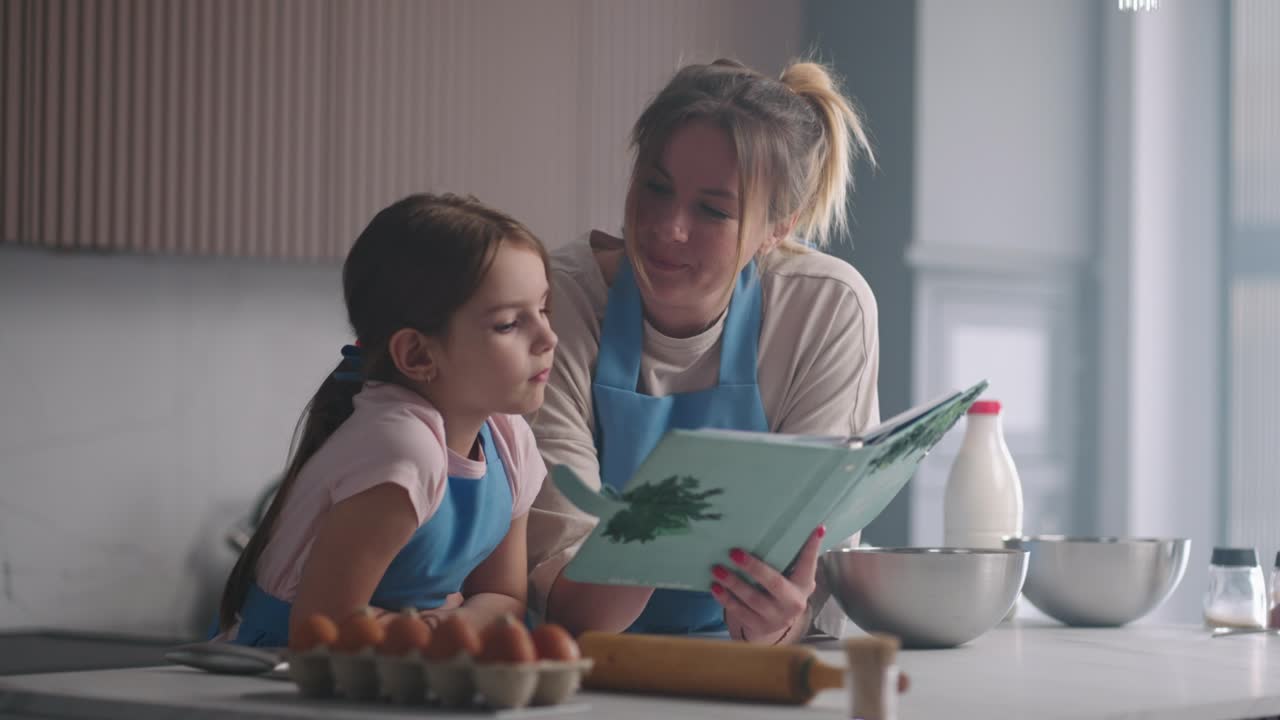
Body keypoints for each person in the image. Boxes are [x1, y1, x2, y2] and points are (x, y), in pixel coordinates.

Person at [527, 58, 880, 645]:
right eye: (656, 188)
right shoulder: (558, 300)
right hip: (583, 669)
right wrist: (673, 536)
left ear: (779, 227)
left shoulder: (823, 310)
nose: (669, 227)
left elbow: (812, 564)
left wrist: (774, 623)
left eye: (713, 209)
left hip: (745, 671)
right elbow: (564, 589)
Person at [216, 194, 557, 647]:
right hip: (278, 680)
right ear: (417, 353)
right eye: (509, 324)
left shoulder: (510, 440)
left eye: (544, 309)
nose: (548, 337)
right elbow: (324, 629)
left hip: (390, 674)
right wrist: (451, 623)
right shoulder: (402, 449)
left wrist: (439, 627)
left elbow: (503, 597)